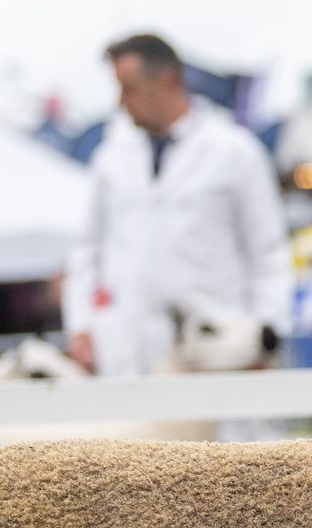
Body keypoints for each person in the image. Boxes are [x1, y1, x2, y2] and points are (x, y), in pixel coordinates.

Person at [63, 33, 292, 376]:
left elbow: (269, 251)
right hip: (130, 346)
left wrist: (267, 332)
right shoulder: (110, 159)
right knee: (135, 428)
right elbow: (86, 251)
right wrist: (80, 325)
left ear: (167, 81)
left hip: (217, 347)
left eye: (130, 88)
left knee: (211, 430)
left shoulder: (234, 151)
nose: (121, 102)